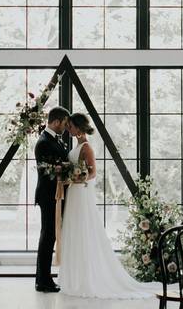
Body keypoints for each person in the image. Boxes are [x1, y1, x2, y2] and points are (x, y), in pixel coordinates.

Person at [56, 112, 155, 299]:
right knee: (73, 230)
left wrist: (76, 177)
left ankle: (86, 278)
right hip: (73, 193)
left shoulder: (86, 147)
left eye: (70, 126)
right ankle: (73, 278)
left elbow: (92, 173)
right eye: (67, 127)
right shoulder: (76, 146)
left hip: (81, 192)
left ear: (78, 127)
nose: (68, 129)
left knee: (83, 229)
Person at [33, 106, 71, 292]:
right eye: (64, 123)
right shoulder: (43, 142)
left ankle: (43, 279)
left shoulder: (54, 139)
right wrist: (68, 169)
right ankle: (43, 281)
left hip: (56, 195)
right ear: (56, 121)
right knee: (48, 236)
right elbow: (47, 171)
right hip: (49, 196)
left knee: (49, 236)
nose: (65, 127)